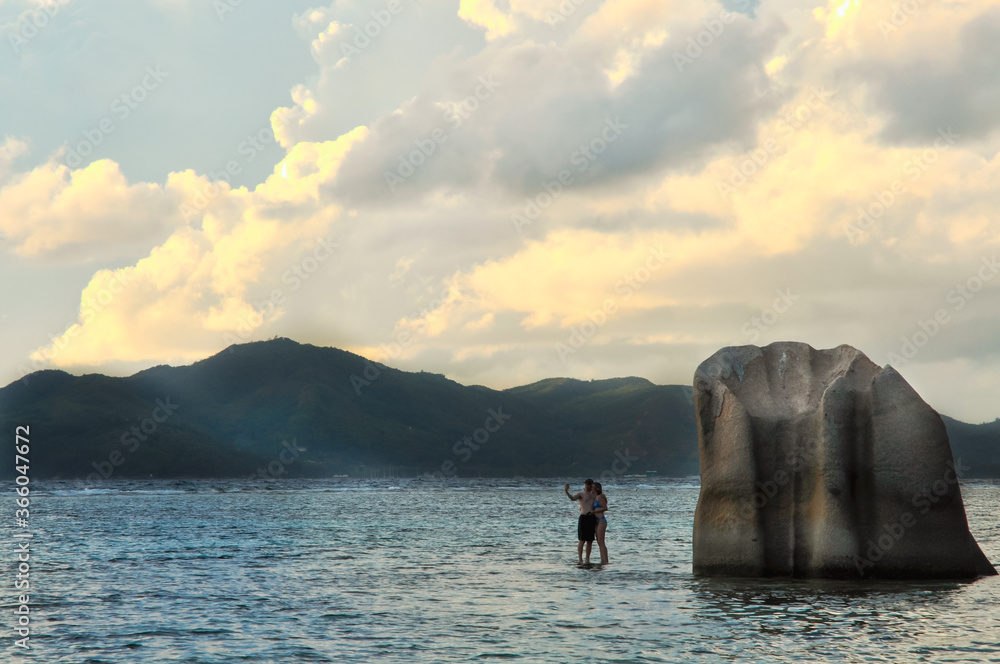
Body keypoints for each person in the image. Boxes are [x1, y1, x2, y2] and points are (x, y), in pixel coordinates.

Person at [564, 479, 598, 564]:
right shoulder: (581, 494)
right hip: (583, 517)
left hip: (591, 517)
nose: (588, 486)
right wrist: (566, 491)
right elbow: (572, 498)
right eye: (586, 484)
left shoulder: (594, 494)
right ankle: (580, 559)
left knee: (590, 540)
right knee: (582, 540)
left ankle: (587, 559)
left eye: (589, 485)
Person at [593, 482, 609, 564]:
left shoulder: (600, 497)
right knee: (599, 541)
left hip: (601, 519)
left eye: (593, 487)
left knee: (602, 541)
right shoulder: (594, 497)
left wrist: (595, 510)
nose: (592, 488)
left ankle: (605, 560)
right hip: (596, 521)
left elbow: (605, 508)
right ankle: (602, 559)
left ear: (597, 488)